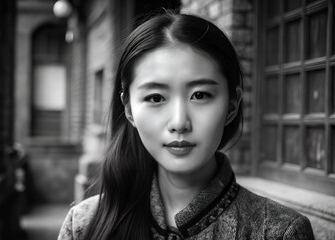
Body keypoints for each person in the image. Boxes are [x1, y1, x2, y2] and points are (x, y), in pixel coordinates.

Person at [58, 13, 315, 240]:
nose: (180, 122)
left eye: (200, 95)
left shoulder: (279, 232)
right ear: (129, 110)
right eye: (156, 98)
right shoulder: (83, 225)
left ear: (232, 105)